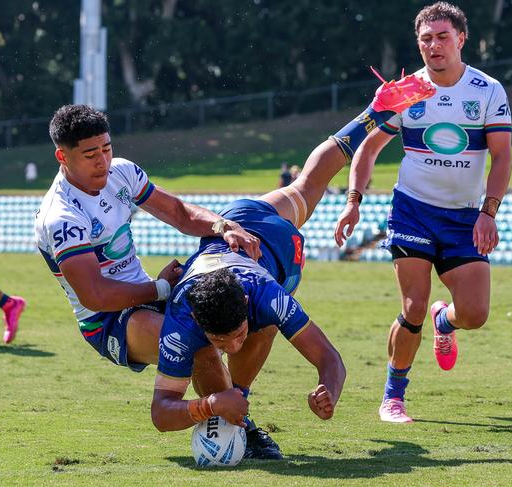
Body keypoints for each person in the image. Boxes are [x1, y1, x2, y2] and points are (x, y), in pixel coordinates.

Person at [150, 72, 437, 456]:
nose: (233, 346)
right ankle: (240, 417)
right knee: (308, 185)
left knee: (309, 186)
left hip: (259, 235)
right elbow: (160, 412)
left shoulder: (267, 296)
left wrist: (329, 390)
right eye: (226, 340)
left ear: (246, 307)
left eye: (237, 333)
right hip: (250, 241)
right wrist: (208, 406)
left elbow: (330, 359)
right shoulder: (182, 317)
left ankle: (375, 111)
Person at [334, 1, 512, 423]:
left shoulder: (487, 91)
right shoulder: (406, 92)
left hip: (465, 216)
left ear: (461, 39)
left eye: (442, 37)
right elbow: (368, 148)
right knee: (413, 304)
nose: (434, 46)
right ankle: (393, 397)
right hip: (412, 210)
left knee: (474, 314)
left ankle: (445, 323)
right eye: (426, 39)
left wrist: (489, 212)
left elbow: (503, 158)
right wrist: (353, 201)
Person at [35, 104, 261, 374]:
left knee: (245, 317)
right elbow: (95, 296)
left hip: (148, 291)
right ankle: (222, 414)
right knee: (195, 345)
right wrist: (161, 288)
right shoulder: (62, 217)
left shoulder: (121, 172)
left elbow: (179, 213)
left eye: (106, 149)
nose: (102, 162)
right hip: (105, 318)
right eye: (90, 155)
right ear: (62, 156)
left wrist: (223, 226)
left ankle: (232, 407)